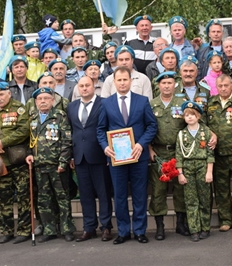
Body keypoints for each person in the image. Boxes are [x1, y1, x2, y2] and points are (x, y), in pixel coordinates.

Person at [97, 67, 158, 244]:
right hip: (116, 157)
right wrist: (105, 147)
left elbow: (152, 126)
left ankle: (139, 231)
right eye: (119, 80)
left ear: (130, 81)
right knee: (120, 195)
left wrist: (141, 144)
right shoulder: (106, 103)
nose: (122, 83)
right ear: (114, 82)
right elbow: (101, 130)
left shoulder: (142, 101)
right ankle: (123, 231)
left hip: (138, 155)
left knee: (139, 194)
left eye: (125, 80)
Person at [25, 87, 76, 242]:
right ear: (35, 102)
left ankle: (67, 229)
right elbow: (30, 141)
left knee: (62, 198)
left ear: (52, 100)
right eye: (40, 99)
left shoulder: (60, 116)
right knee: (44, 200)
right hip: (39, 166)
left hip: (57, 166)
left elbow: (67, 141)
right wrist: (29, 154)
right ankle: (49, 229)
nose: (43, 101)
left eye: (46, 98)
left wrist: (63, 162)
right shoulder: (33, 118)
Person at [67, 76, 113, 242]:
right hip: (80, 156)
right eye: (81, 86)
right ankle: (89, 228)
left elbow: (109, 127)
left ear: (94, 86)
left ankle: (106, 227)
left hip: (100, 155)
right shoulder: (71, 107)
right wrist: (71, 155)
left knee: (103, 193)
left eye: (87, 85)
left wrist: (110, 152)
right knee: (85, 194)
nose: (84, 88)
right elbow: (71, 132)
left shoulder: (105, 103)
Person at [0, 82, 32, 244]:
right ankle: (7, 231)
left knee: (23, 196)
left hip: (18, 160)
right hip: (0, 163)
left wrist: (3, 142)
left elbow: (24, 131)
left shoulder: (19, 109)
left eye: (1, 95)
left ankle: (25, 230)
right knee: (2, 197)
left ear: (9, 94)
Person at [148, 72, 188, 240]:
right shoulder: (151, 104)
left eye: (169, 83)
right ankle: (160, 226)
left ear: (174, 85)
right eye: (163, 83)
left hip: (178, 152)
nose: (166, 86)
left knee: (181, 189)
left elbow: (191, 125)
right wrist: (149, 149)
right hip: (158, 153)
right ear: (158, 85)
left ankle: (181, 224)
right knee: (158, 191)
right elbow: (146, 127)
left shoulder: (183, 103)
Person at [206, 75, 232, 232]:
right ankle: (225, 220)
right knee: (221, 189)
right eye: (220, 85)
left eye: (226, 85)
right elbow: (204, 123)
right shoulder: (211, 103)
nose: (223, 88)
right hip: (218, 154)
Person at [176, 101, 214, 242]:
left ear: (198, 116)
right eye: (187, 115)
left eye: (192, 114)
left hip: (202, 166)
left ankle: (205, 227)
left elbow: (210, 153)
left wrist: (209, 172)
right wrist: (180, 173)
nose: (190, 117)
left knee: (204, 199)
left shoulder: (206, 132)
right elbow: (179, 154)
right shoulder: (181, 134)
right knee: (191, 200)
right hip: (187, 167)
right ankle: (194, 229)